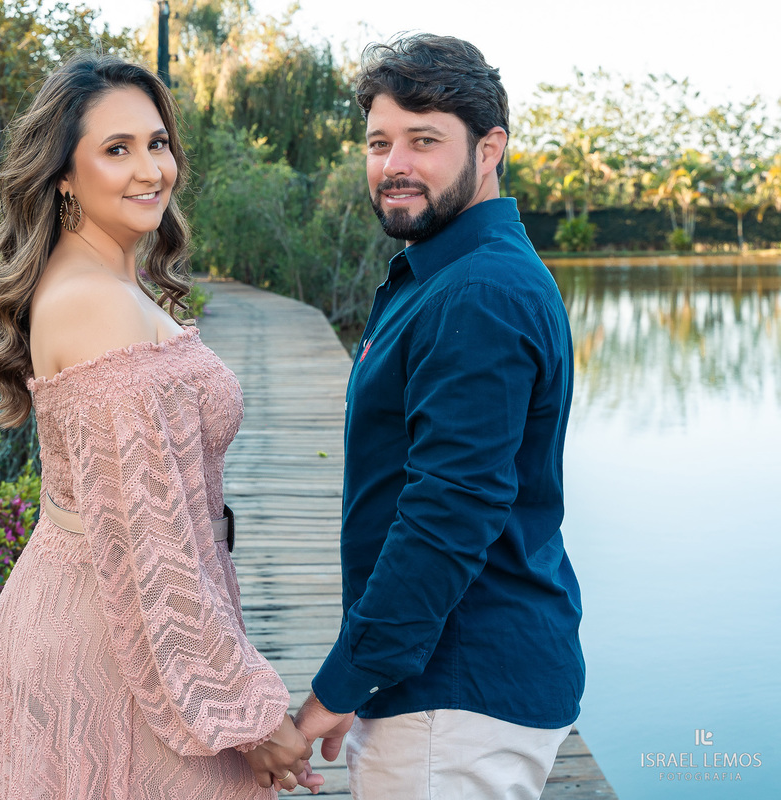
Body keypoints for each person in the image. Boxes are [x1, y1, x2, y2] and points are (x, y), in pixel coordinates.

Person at [0, 53, 319, 799]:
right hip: (112, 636)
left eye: (156, 143)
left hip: (103, 608)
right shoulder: (96, 302)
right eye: (115, 150)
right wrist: (251, 717)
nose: (149, 169)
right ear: (62, 173)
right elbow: (151, 547)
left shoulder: (108, 279)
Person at [294, 34, 585, 799]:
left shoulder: (477, 293)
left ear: (490, 149)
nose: (395, 165)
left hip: (453, 700)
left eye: (424, 141)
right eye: (379, 142)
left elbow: (446, 515)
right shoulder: (448, 274)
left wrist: (338, 687)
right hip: (442, 683)